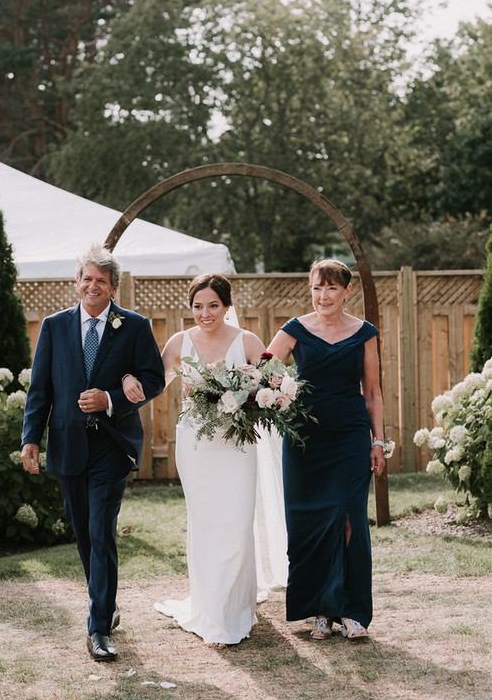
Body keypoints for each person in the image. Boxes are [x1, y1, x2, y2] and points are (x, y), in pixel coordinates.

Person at [20, 244, 164, 662]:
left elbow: (154, 379)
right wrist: (31, 437)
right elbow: (41, 389)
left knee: (101, 531)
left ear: (114, 287)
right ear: (77, 282)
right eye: (87, 278)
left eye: (102, 280)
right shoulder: (54, 326)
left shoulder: (134, 327)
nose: (92, 286)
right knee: (84, 534)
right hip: (66, 444)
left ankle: (98, 627)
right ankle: (107, 602)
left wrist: (112, 398)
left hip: (112, 446)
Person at [147, 273, 284, 648]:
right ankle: (213, 612)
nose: (205, 313)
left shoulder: (248, 341)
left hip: (238, 445)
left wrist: (260, 394)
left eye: (213, 305)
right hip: (196, 445)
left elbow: (275, 383)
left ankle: (235, 606)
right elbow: (153, 384)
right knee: (206, 525)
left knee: (238, 526)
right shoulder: (179, 343)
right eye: (198, 306)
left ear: (226, 306)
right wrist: (128, 382)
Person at [267, 258, 385, 640]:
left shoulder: (364, 332)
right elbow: (263, 372)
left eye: (331, 288)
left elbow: (373, 392)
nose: (323, 295)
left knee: (350, 519)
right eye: (317, 287)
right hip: (304, 440)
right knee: (309, 522)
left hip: (350, 437)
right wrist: (273, 393)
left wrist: (378, 441)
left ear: (346, 291)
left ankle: (352, 611)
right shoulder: (295, 330)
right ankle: (320, 609)